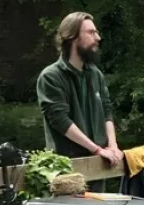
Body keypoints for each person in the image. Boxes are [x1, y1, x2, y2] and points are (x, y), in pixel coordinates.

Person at [36, 12, 123, 192]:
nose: (97, 38)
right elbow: (60, 121)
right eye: (91, 33)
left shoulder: (95, 74)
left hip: (98, 165)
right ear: (72, 37)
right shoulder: (51, 77)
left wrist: (113, 146)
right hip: (66, 170)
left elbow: (107, 111)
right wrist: (97, 149)